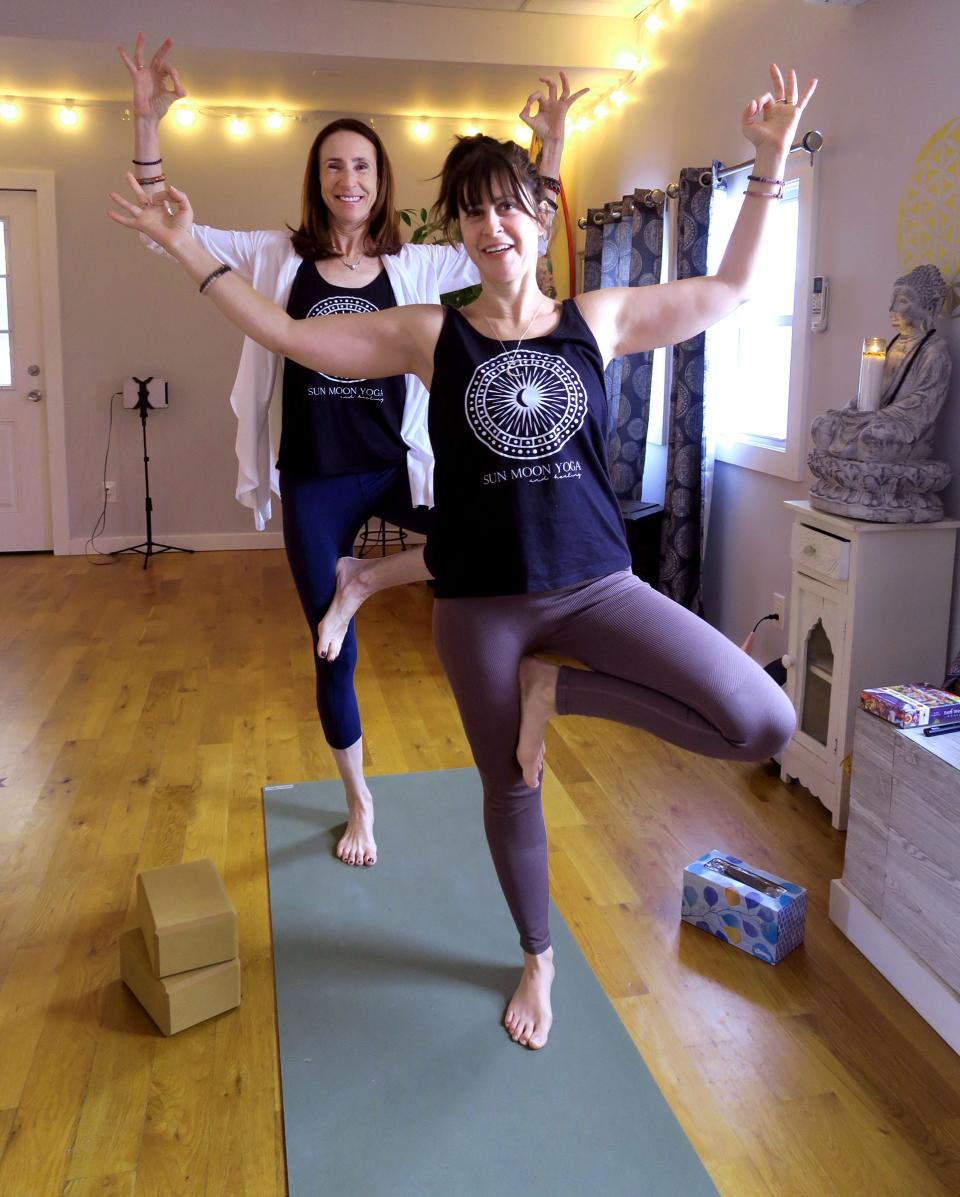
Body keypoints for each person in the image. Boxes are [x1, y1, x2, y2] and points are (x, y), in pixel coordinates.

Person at [109, 62, 815, 1050]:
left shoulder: (597, 321)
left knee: (762, 717)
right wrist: (190, 248)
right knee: (509, 790)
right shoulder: (427, 332)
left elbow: (733, 288)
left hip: (600, 588)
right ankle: (539, 957)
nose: (492, 227)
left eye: (509, 207)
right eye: (471, 214)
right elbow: (285, 333)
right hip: (481, 607)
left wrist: (772, 160)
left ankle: (553, 696)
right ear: (459, 232)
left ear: (540, 213)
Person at [118, 34, 584, 868]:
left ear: (381, 182)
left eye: (363, 167)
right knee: (330, 646)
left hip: (397, 463)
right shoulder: (274, 255)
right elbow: (164, 233)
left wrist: (552, 144)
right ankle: (359, 802)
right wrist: (147, 121)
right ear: (317, 180)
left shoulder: (418, 265)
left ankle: (365, 586)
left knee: (487, 539)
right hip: (316, 480)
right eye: (334, 167)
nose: (349, 181)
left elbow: (526, 237)